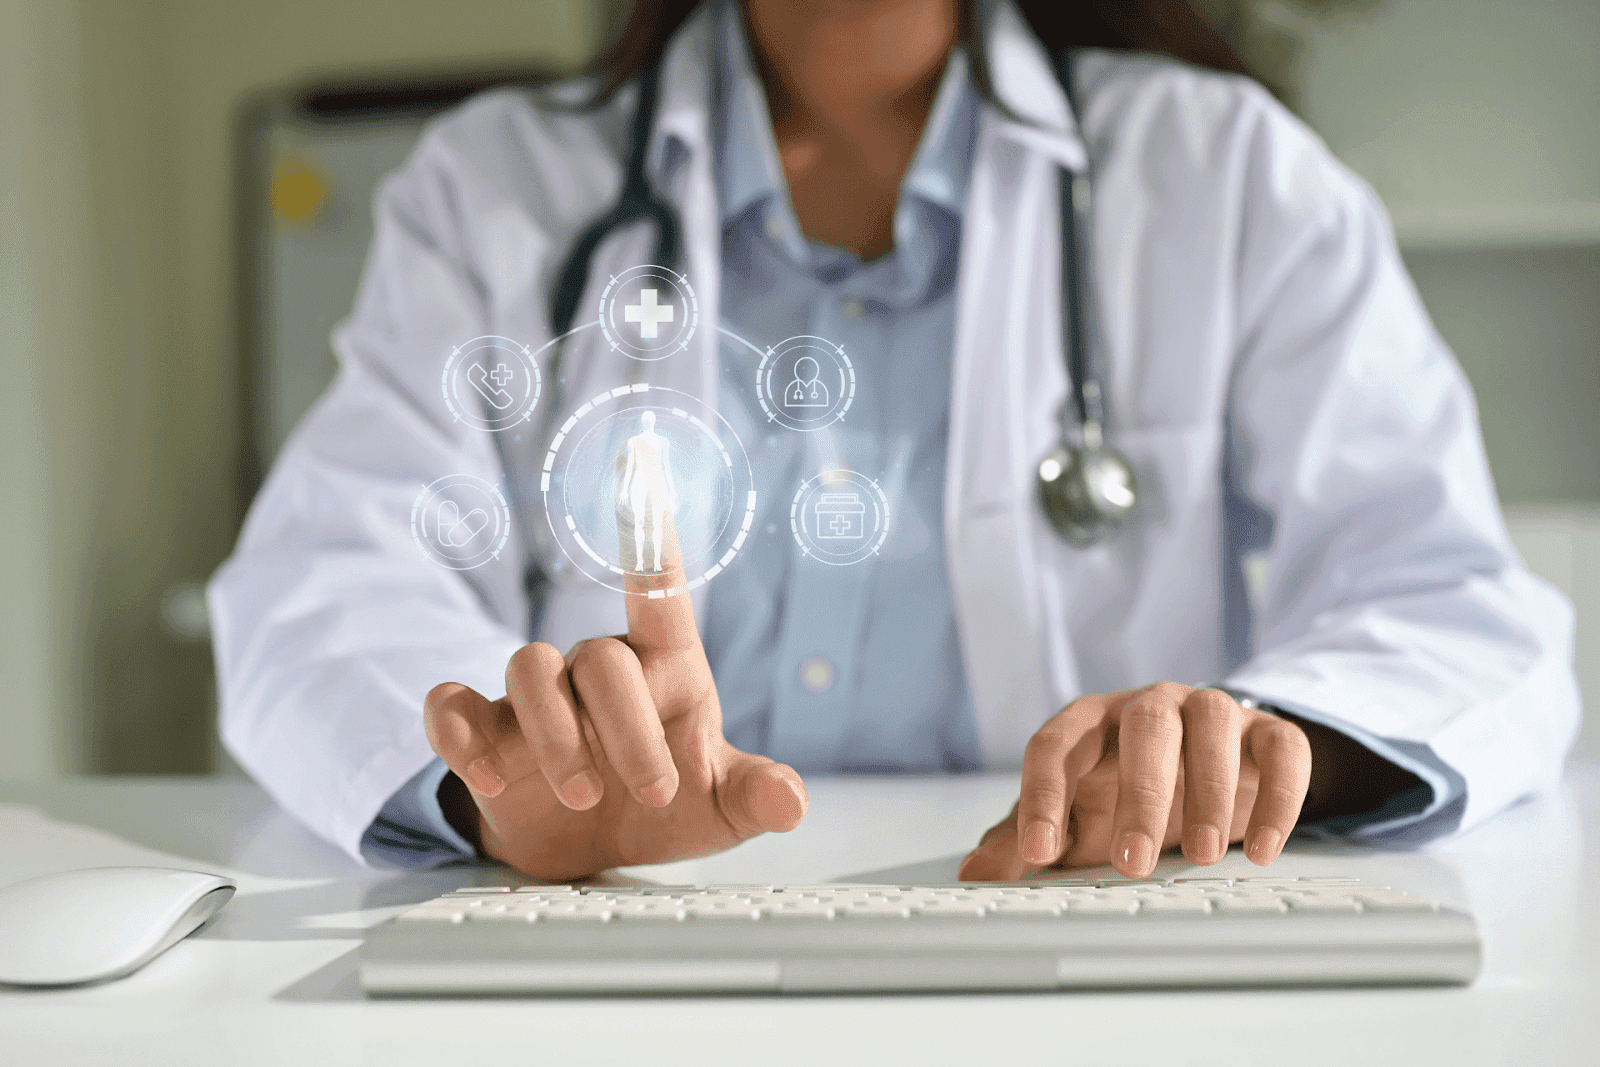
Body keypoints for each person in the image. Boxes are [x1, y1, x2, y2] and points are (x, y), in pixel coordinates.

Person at [208, 0, 1579, 883]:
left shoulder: (1226, 176)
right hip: (619, 943)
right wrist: (507, 794)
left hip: (1093, 947)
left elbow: (1459, 603)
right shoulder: (493, 190)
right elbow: (318, 586)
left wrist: (1271, 742)